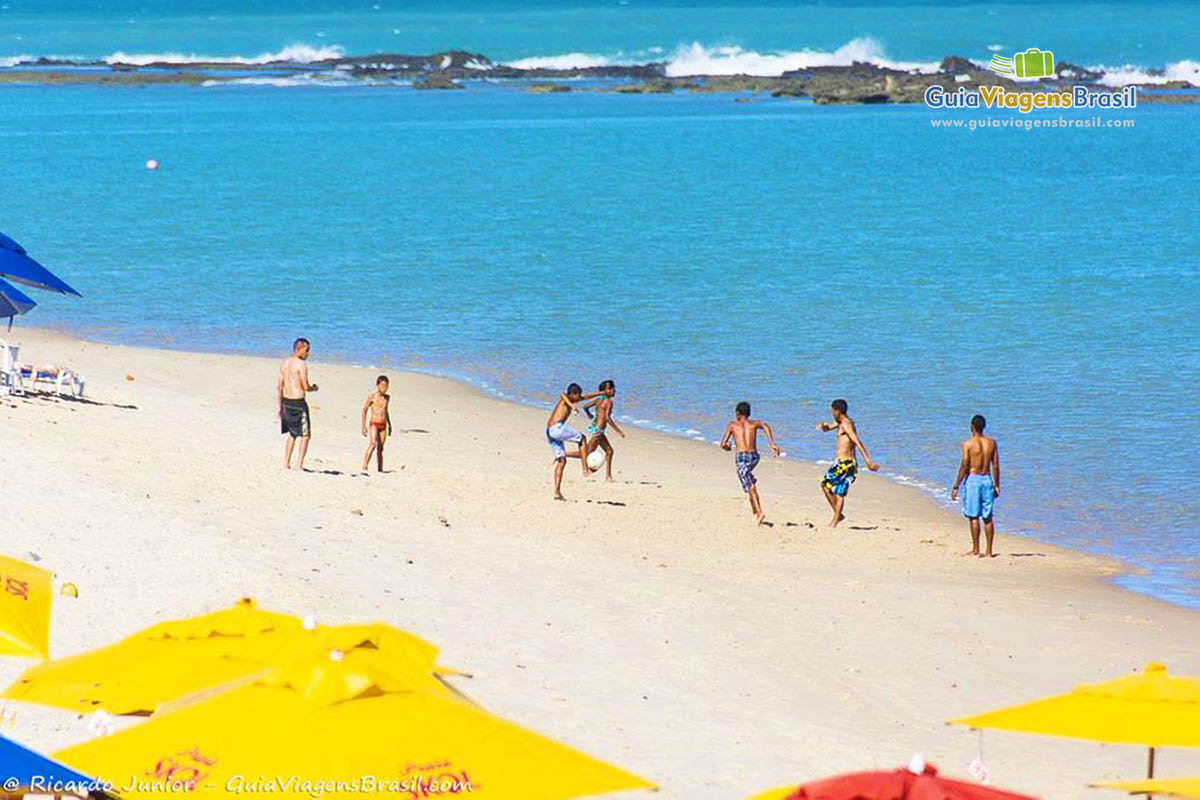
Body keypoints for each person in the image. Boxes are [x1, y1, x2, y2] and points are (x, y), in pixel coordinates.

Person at [815, 398, 879, 527]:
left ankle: (835, 519)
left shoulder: (846, 424)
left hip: (846, 463)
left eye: (832, 411)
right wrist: (823, 427)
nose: (831, 413)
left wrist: (868, 461)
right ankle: (838, 515)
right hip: (839, 462)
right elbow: (828, 427)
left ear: (838, 411)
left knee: (839, 491)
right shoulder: (840, 423)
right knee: (825, 485)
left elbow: (857, 441)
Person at [546, 382, 612, 500]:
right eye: (578, 395)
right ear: (572, 393)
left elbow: (586, 397)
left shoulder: (572, 398)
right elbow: (563, 395)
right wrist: (572, 406)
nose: (579, 398)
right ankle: (585, 469)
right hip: (557, 428)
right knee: (582, 438)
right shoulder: (564, 398)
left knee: (562, 462)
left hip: (550, 432)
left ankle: (557, 492)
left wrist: (601, 393)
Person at [720, 401, 781, 526]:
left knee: (749, 485)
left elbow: (723, 444)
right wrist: (772, 443)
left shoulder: (732, 425)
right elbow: (765, 425)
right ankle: (755, 510)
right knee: (748, 481)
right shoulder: (753, 423)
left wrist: (727, 447)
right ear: (748, 413)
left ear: (737, 413)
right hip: (754, 457)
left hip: (741, 457)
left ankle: (759, 512)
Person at [951, 414, 1000, 557]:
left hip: (973, 480)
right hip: (987, 479)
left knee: (974, 516)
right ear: (984, 427)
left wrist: (956, 486)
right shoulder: (992, 443)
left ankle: (976, 549)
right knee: (988, 517)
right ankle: (989, 551)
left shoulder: (968, 444)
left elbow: (964, 465)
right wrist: (997, 485)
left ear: (971, 426)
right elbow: (996, 466)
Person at [277, 337, 318, 470]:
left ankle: (286, 463)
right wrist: (314, 388)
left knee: (293, 434)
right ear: (298, 349)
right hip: (298, 402)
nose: (308, 354)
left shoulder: (284, 363)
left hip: (286, 401)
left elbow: (279, 386)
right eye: (306, 350)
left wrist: (279, 406)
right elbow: (305, 386)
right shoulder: (301, 364)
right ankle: (299, 464)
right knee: (305, 435)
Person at [581, 379, 626, 482]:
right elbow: (607, 417)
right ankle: (565, 455)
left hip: (596, 429)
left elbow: (585, 406)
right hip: (599, 431)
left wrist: (590, 415)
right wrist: (618, 431)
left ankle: (608, 476)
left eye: (613, 388)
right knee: (586, 452)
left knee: (609, 451)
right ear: (604, 390)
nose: (613, 390)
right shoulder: (609, 402)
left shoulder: (598, 399)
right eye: (610, 388)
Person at [360, 374, 392, 473]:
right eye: (382, 386)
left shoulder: (387, 398)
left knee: (380, 448)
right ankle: (365, 467)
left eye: (386, 386)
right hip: (374, 423)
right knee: (373, 444)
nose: (384, 388)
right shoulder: (372, 397)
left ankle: (380, 469)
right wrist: (363, 426)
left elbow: (386, 411)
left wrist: (390, 425)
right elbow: (364, 410)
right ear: (377, 385)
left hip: (383, 425)